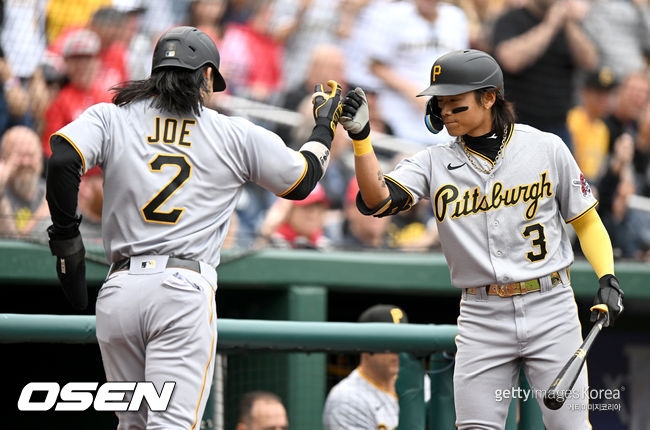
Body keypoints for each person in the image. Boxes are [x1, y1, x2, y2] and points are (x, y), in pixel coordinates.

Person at [45, 25, 342, 429]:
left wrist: (66, 240)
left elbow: (63, 160)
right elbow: (303, 179)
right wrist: (324, 124)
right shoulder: (230, 131)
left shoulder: (112, 116)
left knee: (132, 425)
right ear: (205, 76)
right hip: (181, 291)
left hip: (118, 293)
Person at [339, 49, 624, 429]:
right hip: (481, 312)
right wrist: (362, 139)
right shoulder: (432, 161)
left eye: (455, 104)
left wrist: (607, 275)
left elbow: (586, 221)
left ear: (489, 97)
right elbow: (377, 200)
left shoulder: (545, 147)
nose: (445, 113)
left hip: (550, 303)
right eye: (440, 104)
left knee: (570, 426)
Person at [492, 0, 599, 150]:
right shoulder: (511, 20)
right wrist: (550, 25)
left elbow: (590, 62)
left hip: (558, 126)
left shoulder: (570, 27)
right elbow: (510, 60)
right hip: (515, 126)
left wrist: (568, 24)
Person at [322, 304, 408, 430]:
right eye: (390, 341)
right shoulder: (347, 398)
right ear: (365, 344)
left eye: (403, 341)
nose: (398, 350)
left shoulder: (422, 381)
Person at [0, 125, 49, 239]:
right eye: (19, 155)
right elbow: (10, 245)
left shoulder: (52, 191)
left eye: (31, 155)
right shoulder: (2, 193)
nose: (26, 162)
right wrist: (42, 214)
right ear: (3, 159)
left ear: (41, 159)